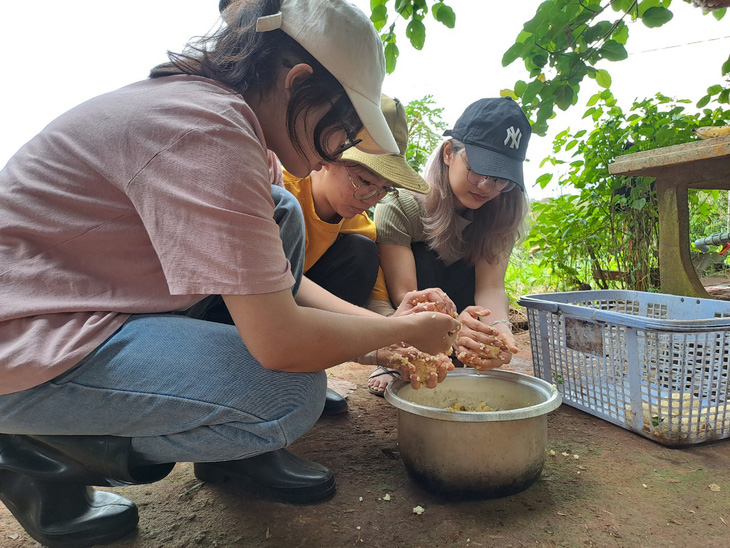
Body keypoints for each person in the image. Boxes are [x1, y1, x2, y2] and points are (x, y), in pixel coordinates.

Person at [0, 1, 460, 546]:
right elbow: (281, 342)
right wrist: (403, 333)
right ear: (298, 82)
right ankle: (33, 447)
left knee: (280, 209)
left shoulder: (234, 126)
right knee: (285, 397)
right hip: (28, 340)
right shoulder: (207, 130)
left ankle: (230, 458)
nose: (333, 151)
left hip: (91, 307)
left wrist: (384, 341)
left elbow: (272, 290)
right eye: (342, 130)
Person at [282, 94, 440, 407]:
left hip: (292, 308)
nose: (371, 196)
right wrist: (386, 333)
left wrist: (398, 331)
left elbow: (375, 303)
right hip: (237, 305)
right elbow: (279, 279)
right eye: (364, 180)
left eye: (384, 189)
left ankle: (298, 376)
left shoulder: (356, 223)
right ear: (328, 155)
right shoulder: (283, 191)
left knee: (362, 252)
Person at [368, 97, 531, 395]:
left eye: (500, 180)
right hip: (412, 316)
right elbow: (405, 294)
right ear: (448, 153)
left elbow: (491, 288)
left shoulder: (499, 215)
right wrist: (452, 325)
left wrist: (499, 328)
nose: (487, 187)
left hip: (462, 318)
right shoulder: (402, 205)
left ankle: (461, 348)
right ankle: (401, 354)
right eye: (477, 170)